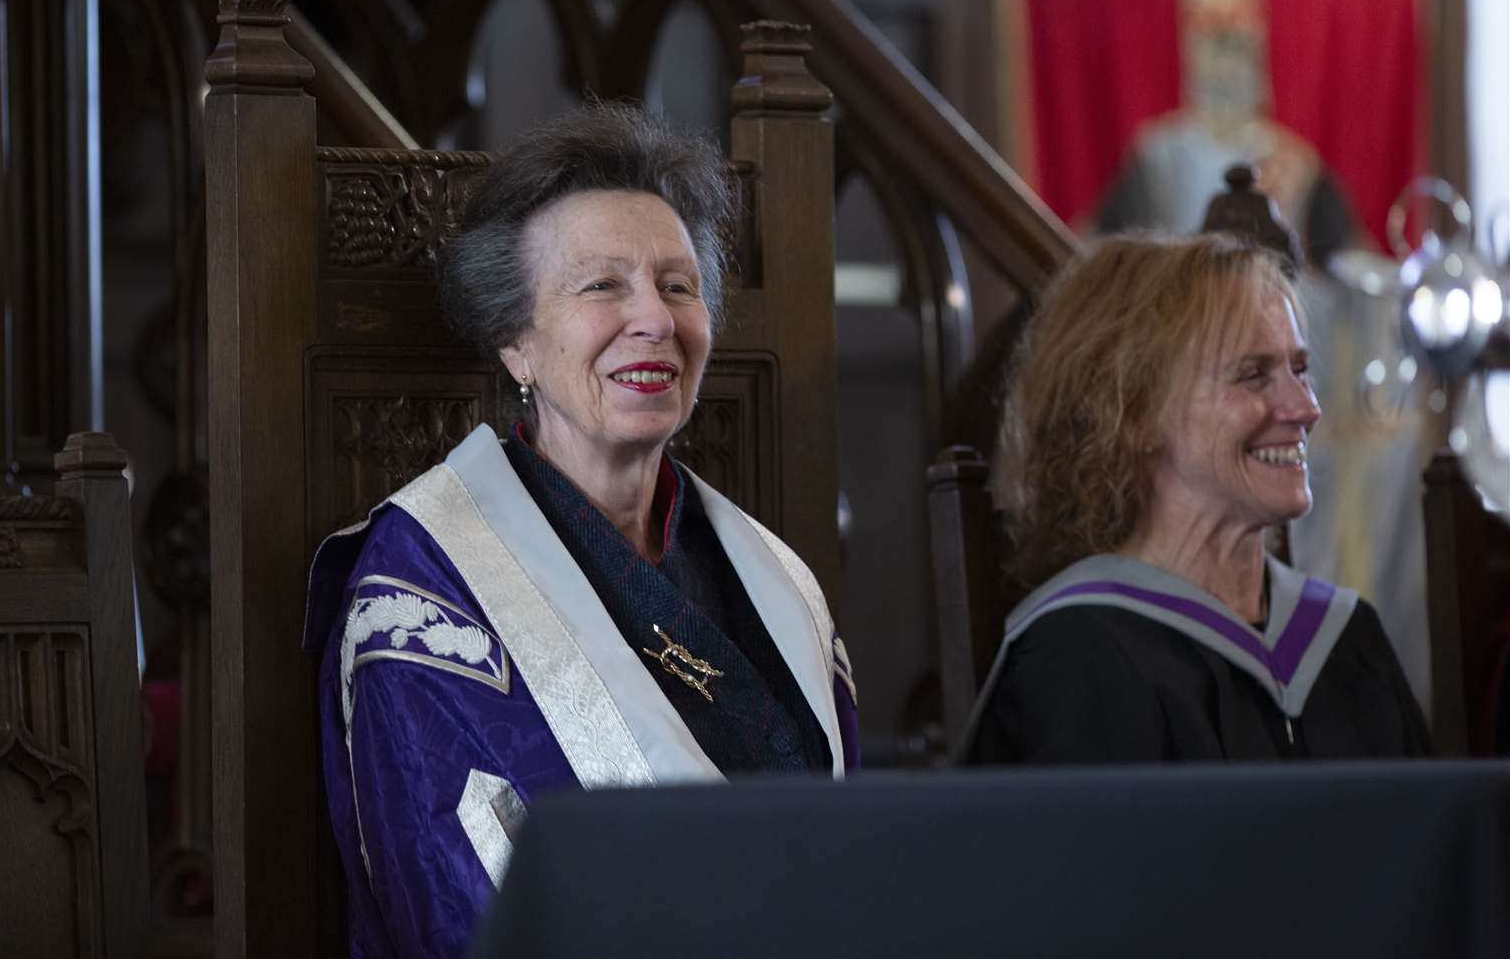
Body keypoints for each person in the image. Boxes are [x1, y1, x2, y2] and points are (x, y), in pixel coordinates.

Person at [303, 103, 858, 958]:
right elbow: (463, 914)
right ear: (516, 344)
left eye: (679, 286)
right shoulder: (424, 596)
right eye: (603, 285)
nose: (656, 320)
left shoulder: (777, 581)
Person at [961, 232, 1428, 764]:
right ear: (1133, 414)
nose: (1305, 408)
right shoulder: (1078, 657)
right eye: (1253, 376)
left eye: (1299, 369)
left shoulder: (1345, 638)